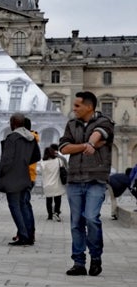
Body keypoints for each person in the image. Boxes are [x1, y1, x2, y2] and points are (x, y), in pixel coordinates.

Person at [59, 91, 114, 277]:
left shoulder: (104, 121)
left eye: (77, 106)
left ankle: (96, 257)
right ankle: (79, 262)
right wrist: (86, 146)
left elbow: (100, 133)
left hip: (96, 178)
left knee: (91, 218)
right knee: (76, 222)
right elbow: (64, 147)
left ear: (89, 107)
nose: (73, 109)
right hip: (74, 178)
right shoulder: (71, 124)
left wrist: (89, 142)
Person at [0, 113, 41, 248]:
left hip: (12, 176)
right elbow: (37, 156)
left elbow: (7, 159)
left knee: (14, 205)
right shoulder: (31, 138)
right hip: (25, 175)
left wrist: (3, 172)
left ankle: (23, 235)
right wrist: (24, 162)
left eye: (10, 122)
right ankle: (29, 235)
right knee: (24, 205)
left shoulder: (12, 137)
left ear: (14, 123)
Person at [38, 145, 66, 222]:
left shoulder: (43, 163)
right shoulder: (59, 161)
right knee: (58, 200)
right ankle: (56, 212)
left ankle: (49, 215)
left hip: (47, 185)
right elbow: (63, 169)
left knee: (48, 201)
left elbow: (40, 172)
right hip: (57, 184)